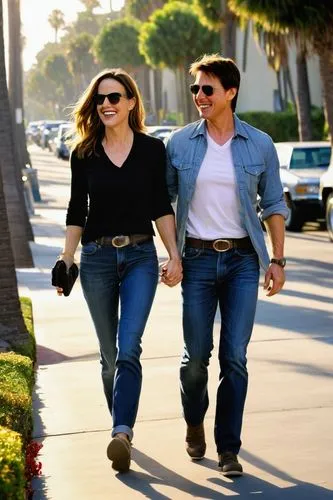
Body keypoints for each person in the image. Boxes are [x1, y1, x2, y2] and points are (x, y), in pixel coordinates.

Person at [165, 54, 288, 477]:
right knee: (196, 357)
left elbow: (273, 204)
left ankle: (228, 448)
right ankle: (194, 419)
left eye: (207, 89)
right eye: (196, 89)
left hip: (240, 261)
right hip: (196, 259)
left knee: (234, 356)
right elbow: (162, 204)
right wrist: (172, 254)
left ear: (230, 92)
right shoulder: (179, 143)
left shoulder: (260, 144)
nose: (199, 96)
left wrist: (277, 259)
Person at [55, 68, 182, 473]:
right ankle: (120, 425)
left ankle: (121, 432)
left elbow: (160, 205)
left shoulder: (152, 150)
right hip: (96, 260)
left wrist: (174, 255)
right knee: (109, 356)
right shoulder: (84, 153)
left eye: (115, 97)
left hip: (141, 257)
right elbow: (78, 210)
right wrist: (67, 258)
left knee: (129, 348)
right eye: (100, 99)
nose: (107, 104)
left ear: (130, 102)